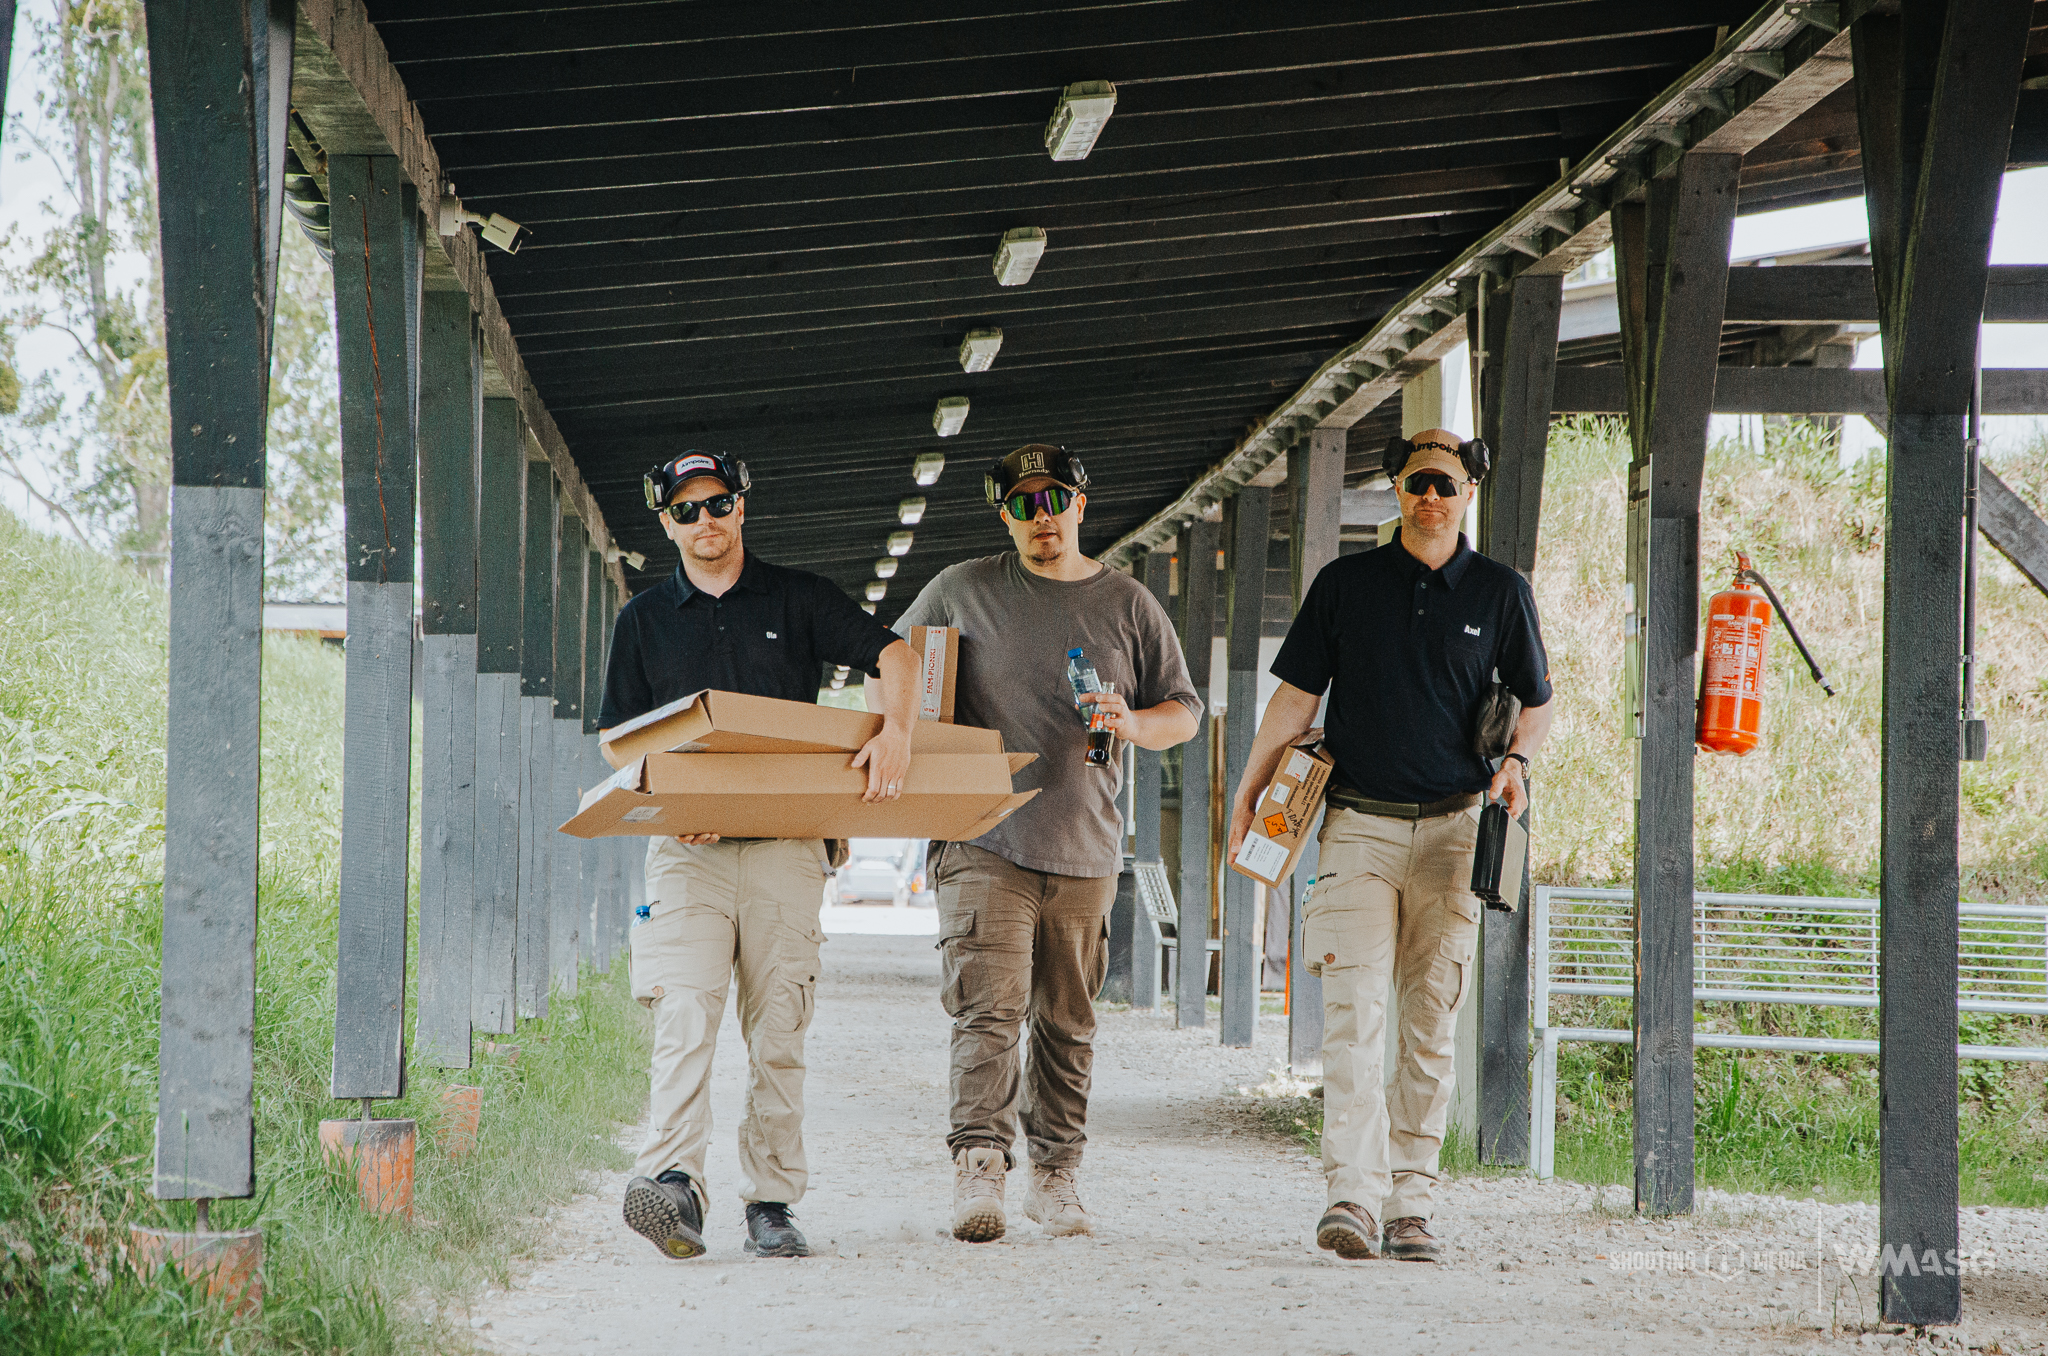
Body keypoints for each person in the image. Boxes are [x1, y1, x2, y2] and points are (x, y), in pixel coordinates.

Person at [1228, 429, 1554, 1263]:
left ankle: (1412, 1200)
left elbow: (1538, 702)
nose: (1431, 497)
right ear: (1398, 489)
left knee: (1428, 1024)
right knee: (1353, 1015)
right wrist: (1248, 792)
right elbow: (1294, 705)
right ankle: (1352, 1196)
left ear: (1469, 490)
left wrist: (1516, 762)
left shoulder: (1502, 592)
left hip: (1453, 830)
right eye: (1416, 482)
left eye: (1445, 483)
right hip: (1356, 827)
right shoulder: (1344, 586)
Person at [599, 450, 919, 1262]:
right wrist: (677, 798)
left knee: (779, 1026)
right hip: (686, 853)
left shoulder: (800, 597)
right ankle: (674, 1186)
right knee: (684, 1015)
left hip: (785, 851)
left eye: (717, 505)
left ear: (742, 507)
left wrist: (897, 733)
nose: (704, 522)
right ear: (665, 521)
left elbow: (897, 657)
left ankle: (771, 1202)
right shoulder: (641, 619)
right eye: (686, 510)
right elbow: (615, 739)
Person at [883, 443, 1201, 1242]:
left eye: (1054, 499)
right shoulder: (961, 589)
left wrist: (1132, 722)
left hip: (1086, 846)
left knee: (1068, 1022)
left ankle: (1057, 1176)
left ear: (1082, 504)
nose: (1042, 516)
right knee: (988, 1012)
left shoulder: (1128, 604)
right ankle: (980, 1168)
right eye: (1023, 504)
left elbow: (1185, 711)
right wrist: (912, 731)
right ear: (1005, 515)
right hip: (983, 839)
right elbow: (887, 662)